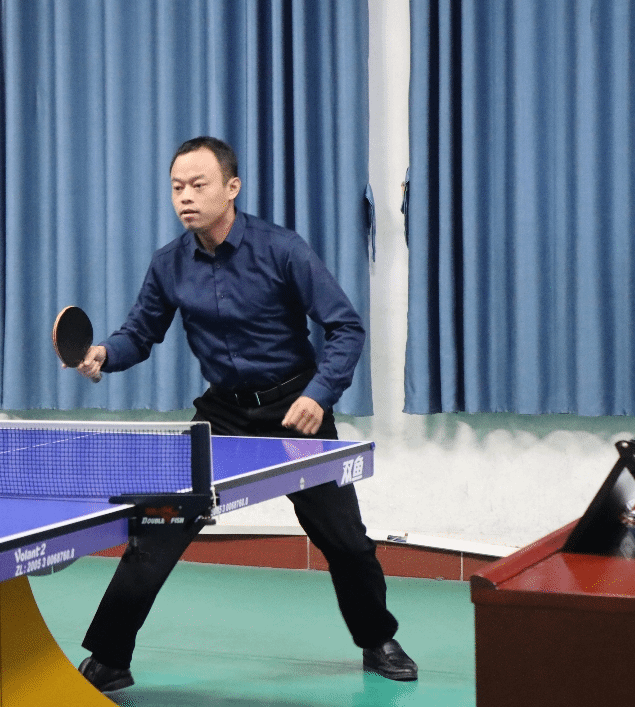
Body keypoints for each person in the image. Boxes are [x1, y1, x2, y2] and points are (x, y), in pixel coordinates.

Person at [72, 136, 417, 691]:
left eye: (198, 185)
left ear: (231, 188)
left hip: (295, 409)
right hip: (223, 414)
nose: (185, 197)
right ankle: (111, 659)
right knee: (156, 530)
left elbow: (345, 327)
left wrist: (319, 395)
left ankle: (377, 639)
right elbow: (139, 333)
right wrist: (104, 355)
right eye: (177, 188)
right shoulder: (168, 264)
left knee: (345, 541)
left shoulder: (282, 250)